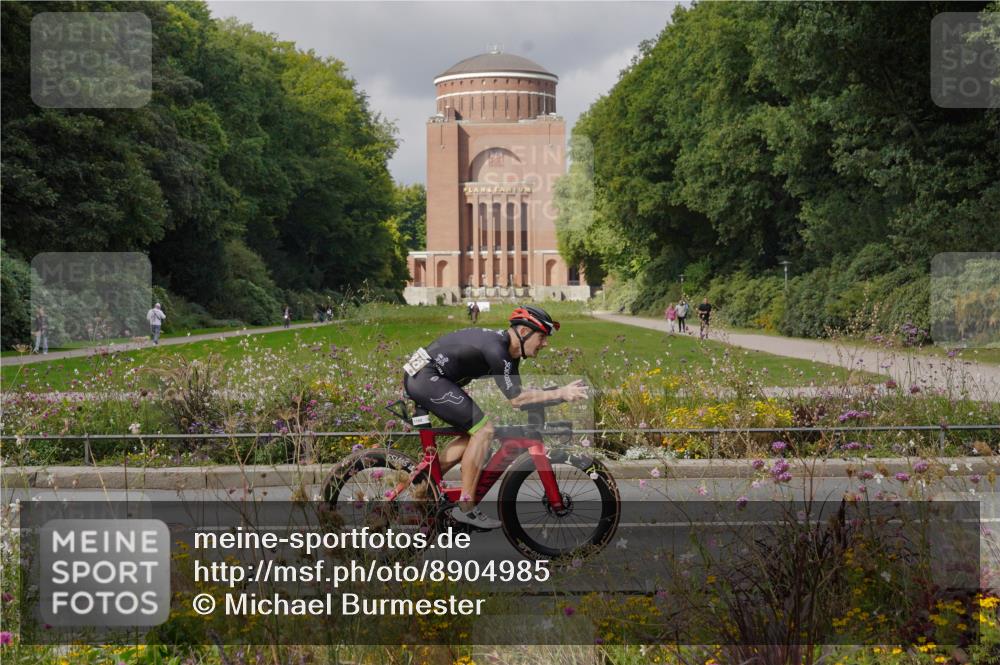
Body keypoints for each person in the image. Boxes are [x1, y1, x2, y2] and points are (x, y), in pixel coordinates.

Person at [402, 305, 588, 530]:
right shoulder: (498, 350)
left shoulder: (508, 353)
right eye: (541, 337)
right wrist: (561, 393)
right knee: (484, 431)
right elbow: (518, 399)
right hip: (426, 377)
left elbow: (517, 396)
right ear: (523, 332)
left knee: (477, 437)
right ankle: (466, 508)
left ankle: (422, 483)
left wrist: (554, 395)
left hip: (428, 376)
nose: (545, 343)